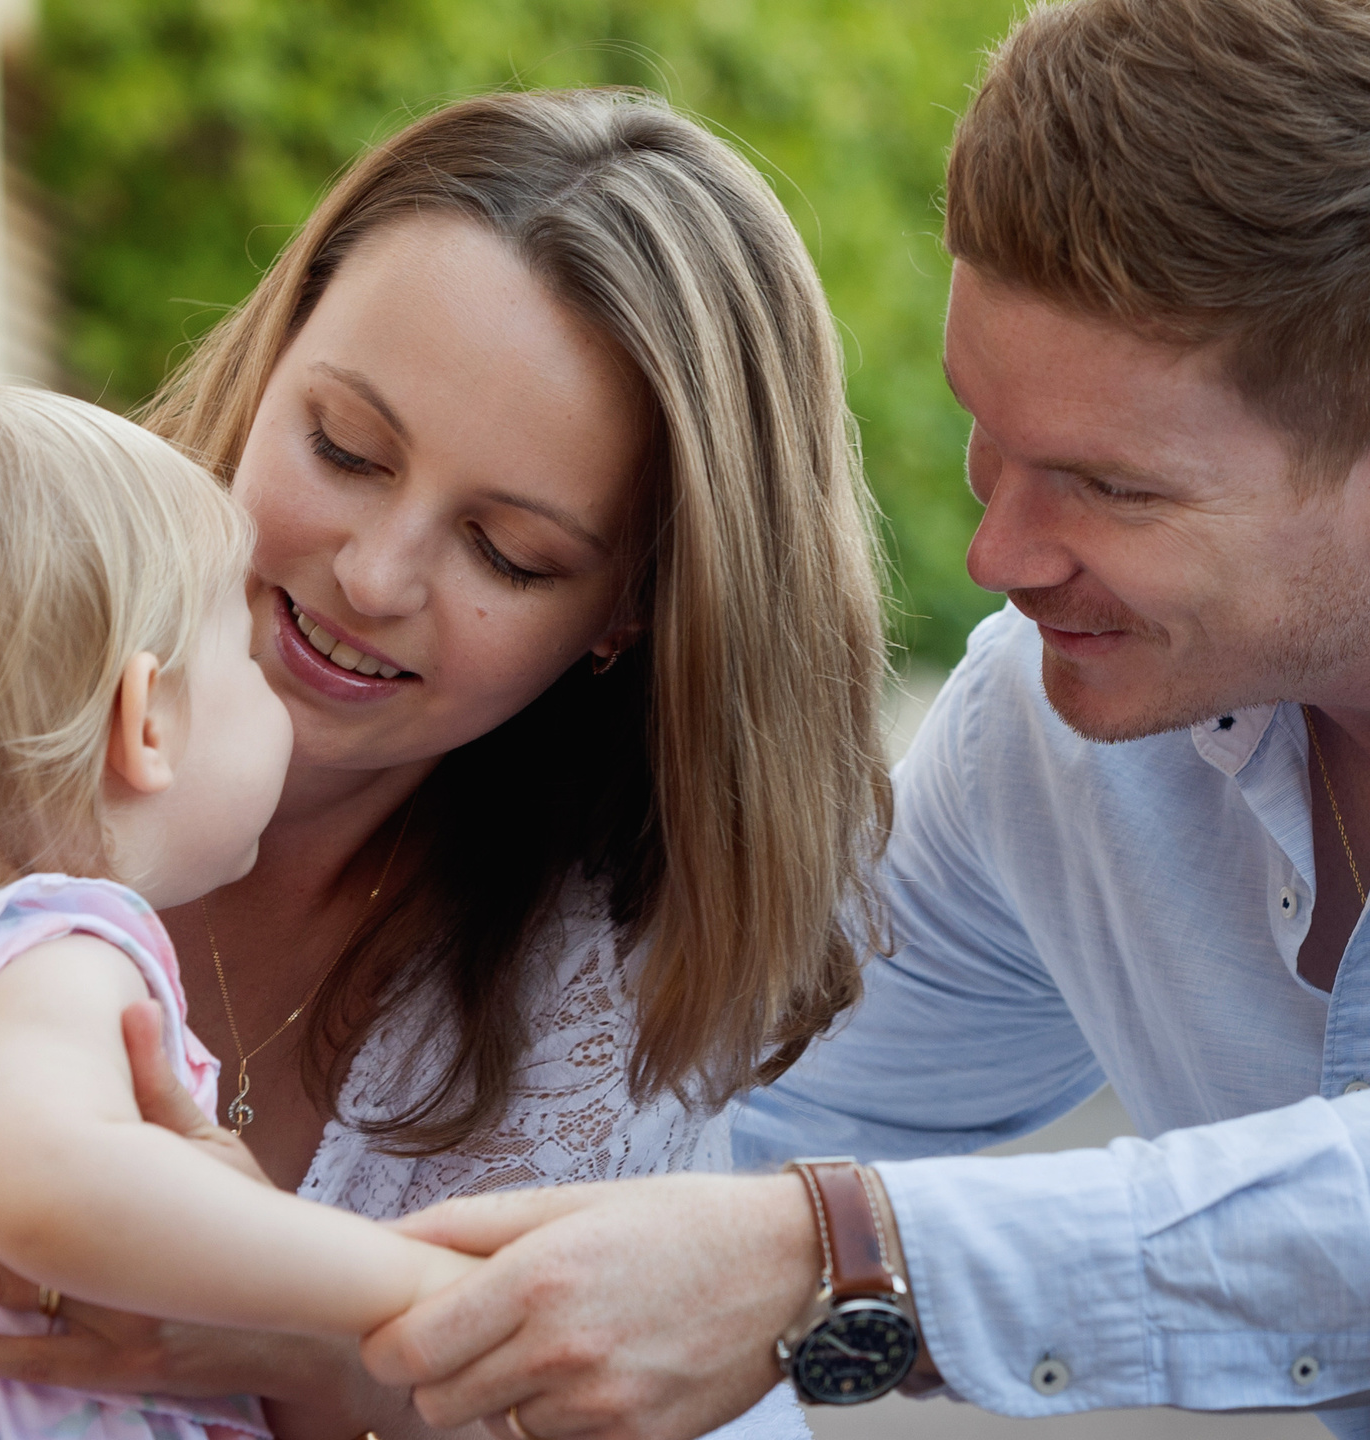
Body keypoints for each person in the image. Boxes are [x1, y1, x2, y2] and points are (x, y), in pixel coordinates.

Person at [355, 2, 1370, 1438]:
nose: (996, 557)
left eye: (1111, 487)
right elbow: (707, 1144)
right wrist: (229, 1267)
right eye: (986, 434)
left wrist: (840, 1265)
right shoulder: (1046, 743)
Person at [0, 92, 892, 1440]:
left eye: (511, 553)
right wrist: (436, 1301)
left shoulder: (598, 1002)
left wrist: (316, 1362)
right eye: (344, 448)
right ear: (271, 361)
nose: (374, 577)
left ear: (630, 613)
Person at [0, 384, 484, 1439]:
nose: (277, 700)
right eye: (244, 659)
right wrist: (409, 1284)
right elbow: (52, 1182)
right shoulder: (53, 952)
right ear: (148, 725)